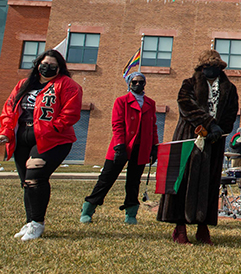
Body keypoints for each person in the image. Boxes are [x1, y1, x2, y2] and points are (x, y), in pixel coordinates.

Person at [157, 50, 239, 245]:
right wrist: (209, 123)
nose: (210, 70)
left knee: (208, 183)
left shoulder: (230, 88)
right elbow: (186, 106)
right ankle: (180, 227)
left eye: (215, 67)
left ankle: (203, 226)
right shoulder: (189, 84)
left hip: (214, 142)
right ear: (201, 68)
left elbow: (231, 113)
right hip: (189, 137)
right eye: (206, 67)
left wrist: (219, 130)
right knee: (184, 182)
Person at [1, 49, 82, 241]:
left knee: (35, 177)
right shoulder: (24, 84)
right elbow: (10, 108)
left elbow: (70, 114)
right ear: (37, 64)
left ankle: (38, 223)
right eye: (44, 63)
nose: (47, 67)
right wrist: (5, 132)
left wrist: (49, 129)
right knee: (27, 182)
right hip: (22, 136)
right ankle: (30, 222)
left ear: (60, 67)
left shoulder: (68, 85)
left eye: (53, 65)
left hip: (52, 138)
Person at [80, 72, 158, 225]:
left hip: (141, 148)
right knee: (106, 179)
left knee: (134, 181)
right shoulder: (121, 101)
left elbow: (153, 126)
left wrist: (154, 147)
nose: (138, 84)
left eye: (141, 82)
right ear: (129, 83)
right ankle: (88, 208)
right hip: (122, 146)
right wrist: (120, 146)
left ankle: (131, 213)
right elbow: (117, 124)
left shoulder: (150, 103)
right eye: (134, 82)